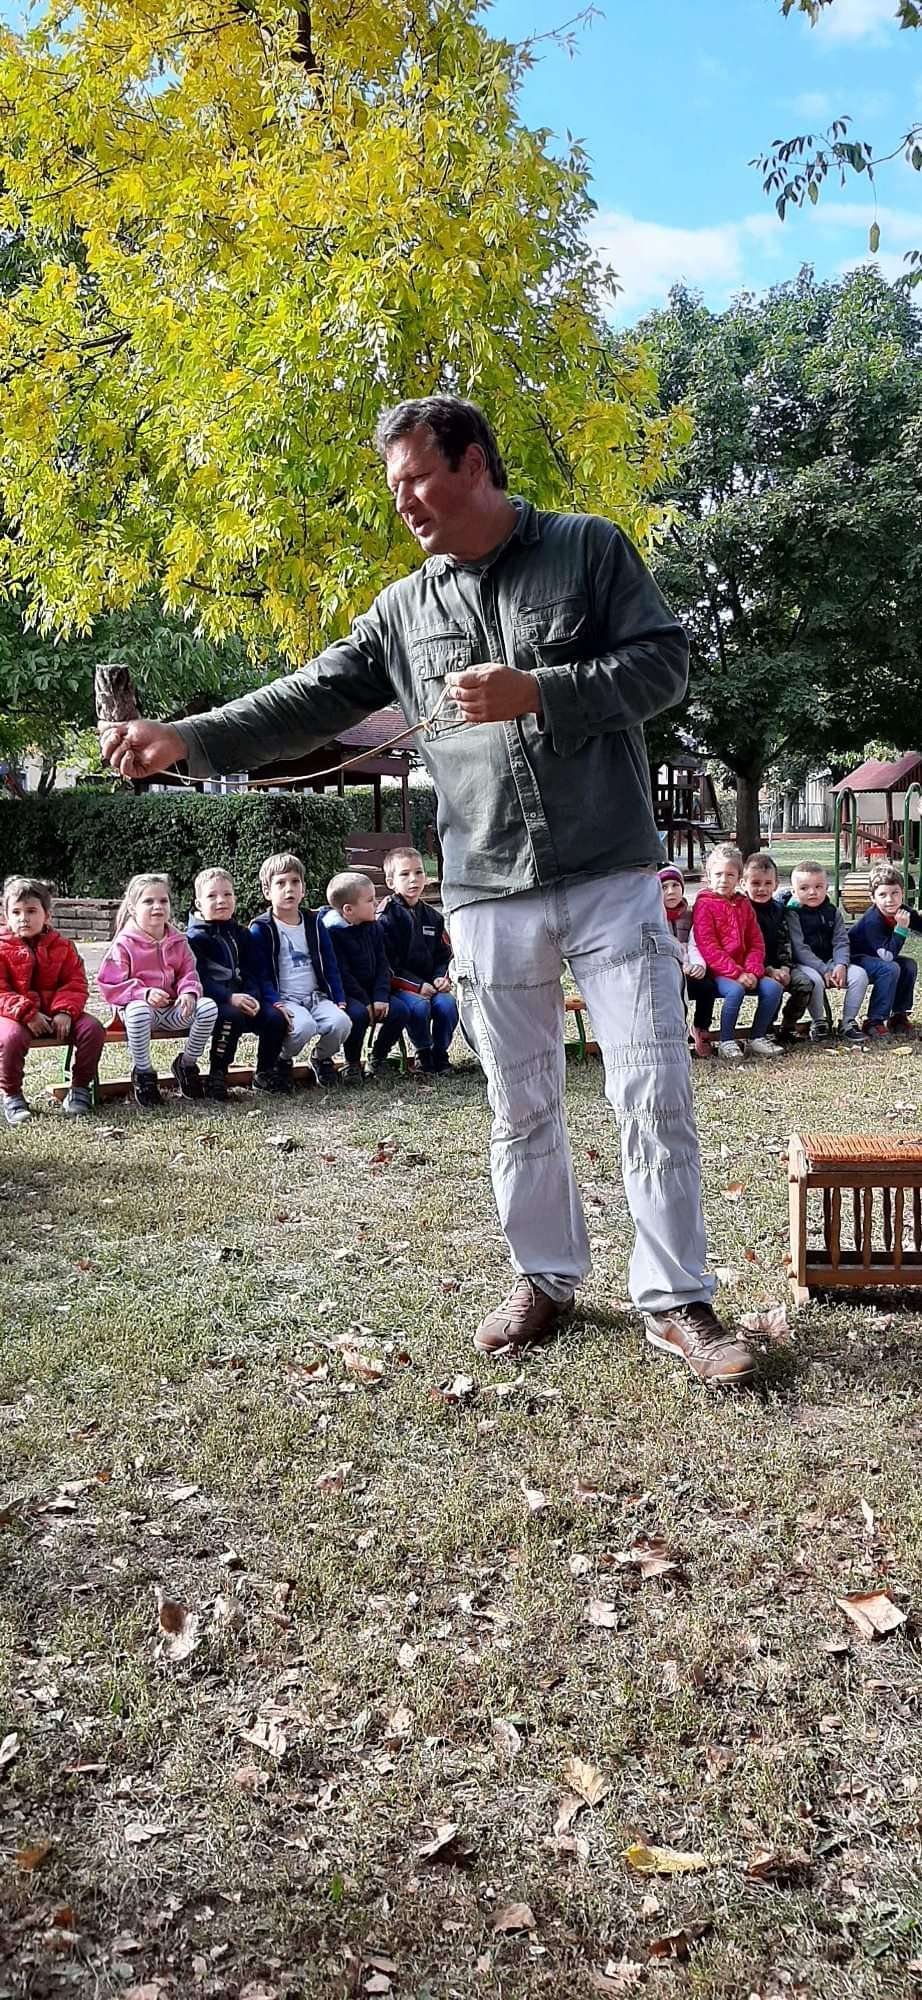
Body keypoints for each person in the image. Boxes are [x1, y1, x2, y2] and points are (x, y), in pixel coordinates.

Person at [99, 393, 756, 1384]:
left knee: (652, 1089)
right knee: (519, 1100)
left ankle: (675, 1300)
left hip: (611, 871)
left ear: (475, 463)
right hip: (484, 886)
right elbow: (307, 698)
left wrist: (542, 690)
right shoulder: (403, 610)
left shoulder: (587, 548)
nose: (402, 500)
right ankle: (544, 1276)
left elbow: (664, 667)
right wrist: (186, 739)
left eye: (416, 477)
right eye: (393, 484)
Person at [97, 874, 219, 1106]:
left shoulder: (178, 940)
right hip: (140, 1014)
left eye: (163, 901)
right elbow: (109, 985)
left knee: (208, 1007)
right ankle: (143, 1074)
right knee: (139, 1011)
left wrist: (188, 992)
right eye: (148, 901)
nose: (157, 906)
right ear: (133, 908)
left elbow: (188, 973)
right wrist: (143, 993)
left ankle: (186, 1065)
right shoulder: (124, 943)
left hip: (173, 1010)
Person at [0, 874, 106, 1125]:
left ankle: (80, 1088)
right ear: (6, 916)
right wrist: (27, 1013)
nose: (23, 918)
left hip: (57, 1014)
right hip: (14, 1016)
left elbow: (75, 983)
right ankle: (12, 1095)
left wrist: (65, 1011)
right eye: (16, 912)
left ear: (47, 915)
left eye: (31, 911)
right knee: (11, 1038)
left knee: (92, 1029)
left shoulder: (63, 946)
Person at [249, 851, 349, 1088]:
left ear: (303, 889)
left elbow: (330, 963)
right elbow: (261, 973)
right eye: (280, 883)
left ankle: (321, 1058)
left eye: (295, 882)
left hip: (316, 996)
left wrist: (338, 997)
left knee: (341, 1023)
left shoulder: (314, 923)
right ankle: (282, 1060)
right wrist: (275, 1002)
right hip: (286, 999)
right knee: (303, 1027)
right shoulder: (261, 928)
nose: (289, 889)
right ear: (267, 891)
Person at [186, 866, 287, 1098]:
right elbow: (199, 979)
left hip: (245, 997)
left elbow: (254, 970)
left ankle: (264, 1071)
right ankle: (217, 1074)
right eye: (212, 896)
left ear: (235, 898)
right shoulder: (194, 938)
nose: (221, 900)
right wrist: (229, 997)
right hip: (214, 1001)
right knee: (230, 1016)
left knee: (274, 1018)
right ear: (199, 903)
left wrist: (252, 996)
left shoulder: (242, 934)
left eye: (227, 894)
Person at [691, 844, 783, 1060]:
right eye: (718, 874)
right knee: (735, 991)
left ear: (739, 878)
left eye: (730, 875)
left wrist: (752, 970)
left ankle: (758, 1036)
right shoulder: (704, 905)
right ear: (708, 876)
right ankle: (726, 1040)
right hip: (719, 972)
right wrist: (737, 973)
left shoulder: (743, 904)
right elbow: (708, 946)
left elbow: (756, 941)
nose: (724, 880)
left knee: (772, 988)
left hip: (747, 969)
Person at [321, 870, 411, 1083]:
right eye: (370, 900)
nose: (376, 903)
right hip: (349, 994)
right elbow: (342, 973)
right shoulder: (332, 934)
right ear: (348, 909)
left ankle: (378, 1057)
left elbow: (382, 964)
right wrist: (365, 1001)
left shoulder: (374, 927)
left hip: (374, 990)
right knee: (359, 1015)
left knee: (400, 1011)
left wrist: (380, 996)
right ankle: (352, 1063)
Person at [376, 847, 458, 1075]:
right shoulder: (385, 917)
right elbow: (385, 965)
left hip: (431, 984)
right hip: (400, 987)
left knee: (447, 1005)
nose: (413, 879)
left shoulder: (433, 917)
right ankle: (423, 1053)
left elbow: (445, 955)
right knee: (419, 1007)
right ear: (391, 882)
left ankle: (440, 1053)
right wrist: (417, 986)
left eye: (419, 872)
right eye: (405, 874)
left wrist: (441, 978)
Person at [785, 861, 868, 1044]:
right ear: (794, 891)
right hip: (804, 964)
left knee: (859, 975)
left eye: (818, 887)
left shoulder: (832, 911)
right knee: (814, 980)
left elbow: (841, 941)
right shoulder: (792, 913)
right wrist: (823, 969)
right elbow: (799, 948)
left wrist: (840, 964)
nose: (812, 892)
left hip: (831, 961)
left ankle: (848, 1022)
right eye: (804, 888)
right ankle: (819, 1022)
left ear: (826, 887)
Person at [741, 851, 816, 1043]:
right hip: (752, 967)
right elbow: (744, 947)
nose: (762, 889)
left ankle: (788, 1026)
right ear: (743, 884)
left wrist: (785, 967)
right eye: (755, 883)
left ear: (776, 884)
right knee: (774, 986)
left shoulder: (779, 910)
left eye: (768, 883)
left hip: (780, 964)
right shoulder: (741, 910)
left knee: (804, 984)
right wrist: (768, 970)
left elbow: (785, 941)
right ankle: (765, 1029)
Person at [848, 863, 922, 1038]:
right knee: (890, 967)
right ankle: (874, 1020)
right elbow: (887, 957)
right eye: (882, 894)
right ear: (873, 897)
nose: (890, 899)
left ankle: (898, 1016)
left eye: (895, 893)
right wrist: (901, 929)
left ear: (903, 893)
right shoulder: (873, 920)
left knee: (908, 965)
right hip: (855, 959)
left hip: (877, 959)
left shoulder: (902, 911)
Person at [658, 864, 717, 1059]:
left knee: (707, 985)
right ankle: (677, 1035)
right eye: (664, 887)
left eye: (675, 885)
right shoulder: (654, 918)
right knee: (673, 990)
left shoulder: (691, 915)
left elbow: (696, 944)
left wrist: (699, 965)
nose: (670, 891)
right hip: (666, 972)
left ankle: (701, 1028)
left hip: (691, 967)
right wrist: (679, 965)